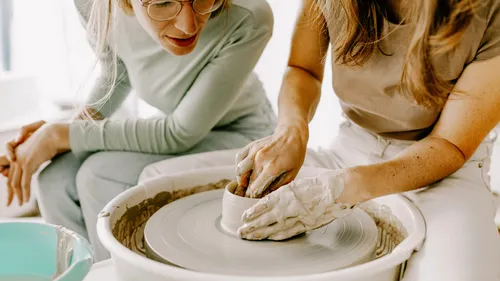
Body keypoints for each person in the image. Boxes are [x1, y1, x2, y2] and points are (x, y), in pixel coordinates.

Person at [137, 0, 500, 280]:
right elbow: (303, 69)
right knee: (155, 184)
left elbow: (450, 146)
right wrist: (291, 131)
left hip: (445, 171)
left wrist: (343, 188)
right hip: (352, 149)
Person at [0, 0, 276, 261]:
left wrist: (60, 135)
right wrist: (55, 136)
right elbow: (116, 72)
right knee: (54, 179)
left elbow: (180, 131)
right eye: (163, 3)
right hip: (181, 128)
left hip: (241, 134)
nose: (188, 26)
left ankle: (117, 273)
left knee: (99, 175)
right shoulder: (95, 5)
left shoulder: (248, 15)